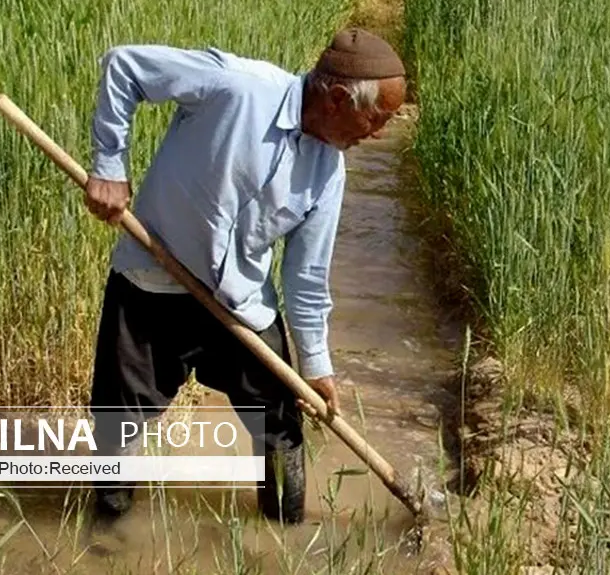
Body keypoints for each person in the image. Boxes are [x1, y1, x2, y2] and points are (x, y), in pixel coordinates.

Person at [82, 28, 407, 525]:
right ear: (339, 99)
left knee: (282, 428)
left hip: (241, 308)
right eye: (377, 118)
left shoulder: (328, 172)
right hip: (150, 284)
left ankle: (284, 536)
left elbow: (306, 276)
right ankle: (107, 540)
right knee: (115, 430)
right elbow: (124, 66)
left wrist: (316, 367)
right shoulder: (236, 86)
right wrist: (109, 164)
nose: (378, 132)